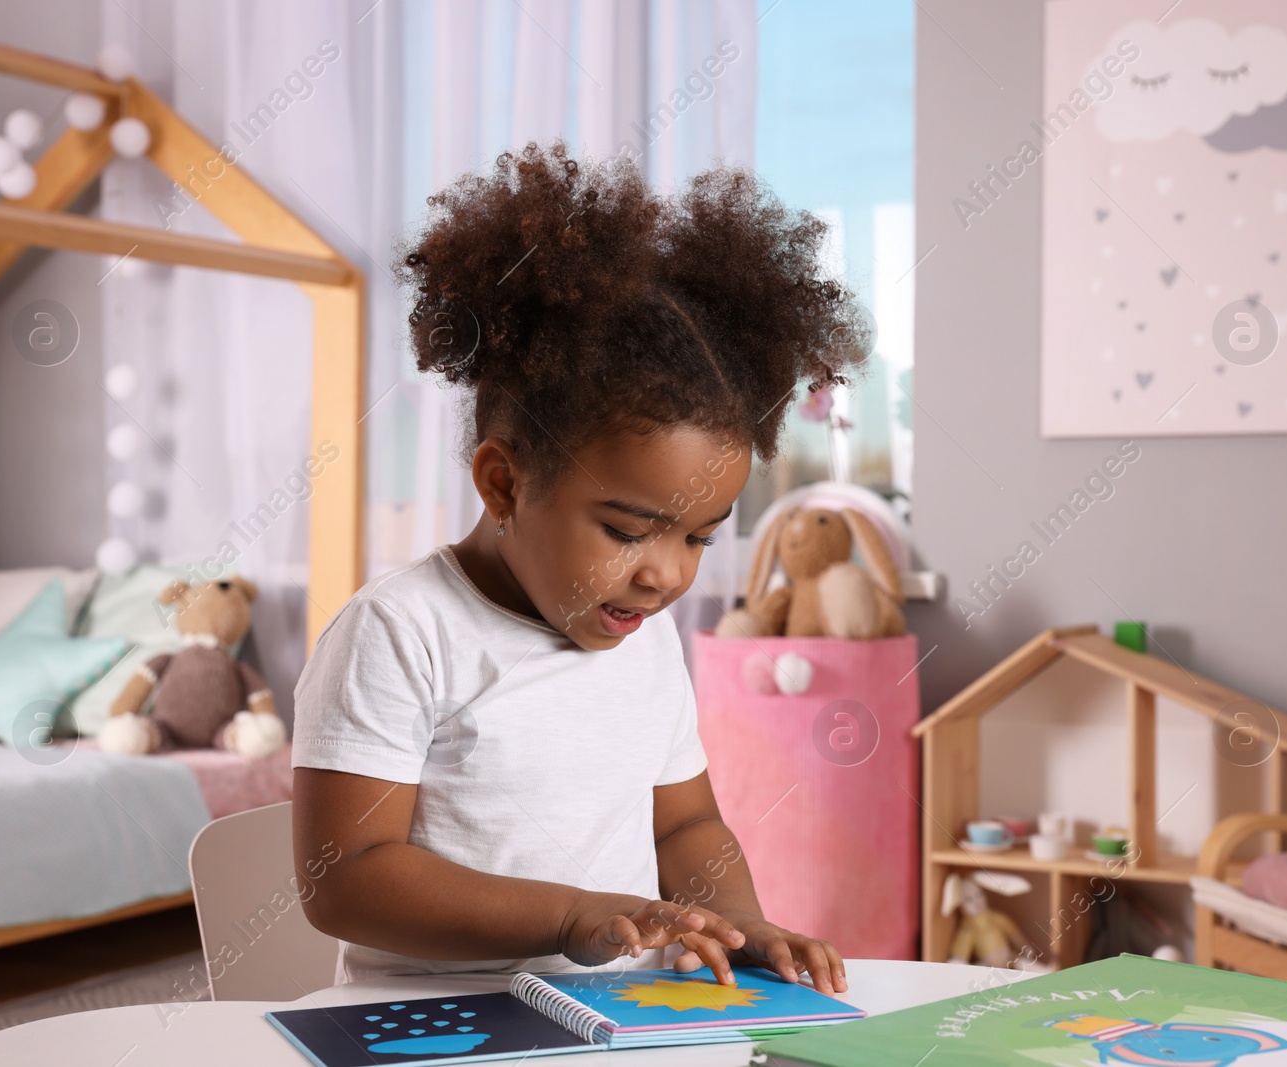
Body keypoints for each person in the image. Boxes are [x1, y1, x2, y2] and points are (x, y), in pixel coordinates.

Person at [292, 140, 871, 993]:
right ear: (505, 480)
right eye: (630, 528)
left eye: (699, 537)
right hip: (438, 1027)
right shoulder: (400, 631)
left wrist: (735, 916)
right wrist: (568, 917)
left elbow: (685, 826)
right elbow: (346, 878)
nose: (666, 575)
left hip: (617, 1016)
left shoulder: (645, 639)